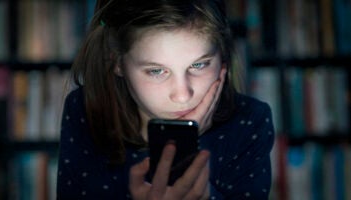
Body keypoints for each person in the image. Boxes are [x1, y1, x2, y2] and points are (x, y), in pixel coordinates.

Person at [57, 0, 275, 199]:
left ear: (223, 59)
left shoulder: (249, 119)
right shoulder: (86, 109)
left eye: (199, 65)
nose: (182, 95)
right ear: (117, 62)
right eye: (156, 71)